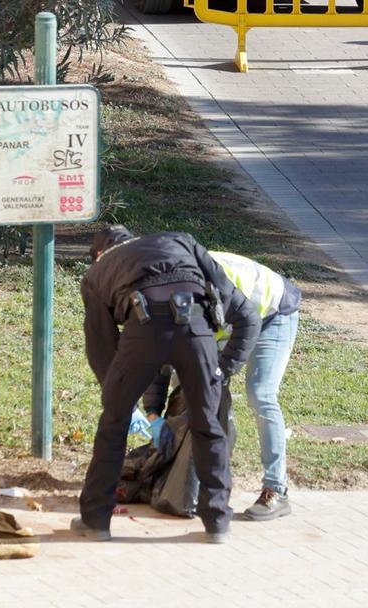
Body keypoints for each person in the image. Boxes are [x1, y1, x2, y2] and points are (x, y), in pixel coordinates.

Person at [71, 225, 260, 544]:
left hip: (142, 333)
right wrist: (221, 371)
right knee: (207, 426)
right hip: (198, 332)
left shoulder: (97, 273)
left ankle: (96, 521)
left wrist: (119, 399)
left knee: (112, 427)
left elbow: (102, 346)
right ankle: (217, 524)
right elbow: (245, 313)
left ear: (99, 254)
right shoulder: (180, 241)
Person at [143, 250, 302, 521]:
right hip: (225, 322)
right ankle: (184, 478)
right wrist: (153, 414)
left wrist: (219, 374)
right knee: (189, 388)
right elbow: (160, 360)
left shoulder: (208, 283)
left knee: (260, 393)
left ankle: (276, 489)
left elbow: (248, 324)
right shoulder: (159, 300)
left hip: (269, 313)